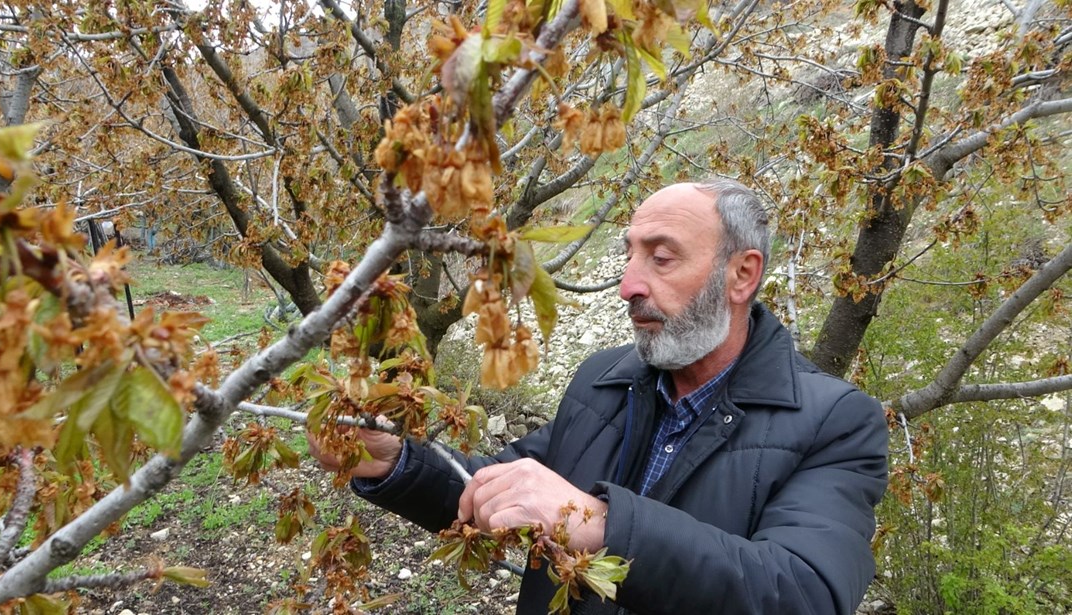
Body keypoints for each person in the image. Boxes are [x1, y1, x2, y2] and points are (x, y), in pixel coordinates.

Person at [310, 179, 889, 614]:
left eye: (661, 258)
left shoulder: (837, 423)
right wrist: (397, 462)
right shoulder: (603, 378)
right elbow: (506, 487)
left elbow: (802, 591)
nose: (628, 285)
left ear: (742, 275)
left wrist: (604, 524)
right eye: (630, 257)